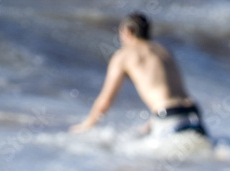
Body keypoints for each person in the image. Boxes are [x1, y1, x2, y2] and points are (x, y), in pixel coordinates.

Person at [69, 12, 207, 137]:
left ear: (128, 32)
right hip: (193, 113)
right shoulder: (163, 50)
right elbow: (170, 92)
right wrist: (151, 124)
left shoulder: (123, 56)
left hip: (169, 117)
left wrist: (86, 126)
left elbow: (105, 100)